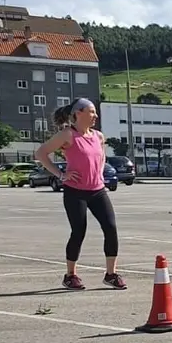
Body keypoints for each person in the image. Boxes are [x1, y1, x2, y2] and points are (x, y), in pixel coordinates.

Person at [34, 98, 125, 291]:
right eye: (91, 112)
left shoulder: (98, 136)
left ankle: (111, 274)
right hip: (75, 192)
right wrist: (60, 174)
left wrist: (99, 175)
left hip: (98, 190)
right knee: (79, 231)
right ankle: (70, 275)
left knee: (111, 227)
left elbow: (101, 158)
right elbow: (41, 153)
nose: (95, 116)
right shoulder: (67, 134)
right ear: (78, 113)